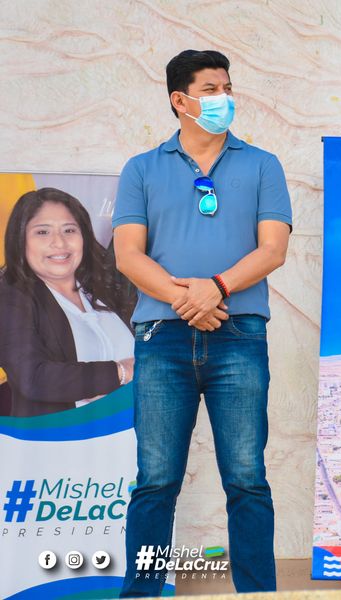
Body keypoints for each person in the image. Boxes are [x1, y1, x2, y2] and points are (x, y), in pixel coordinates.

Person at [113, 49, 292, 596]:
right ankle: (141, 594)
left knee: (247, 478)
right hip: (161, 337)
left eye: (227, 88)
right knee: (156, 481)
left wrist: (215, 288)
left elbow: (273, 248)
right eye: (211, 90)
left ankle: (257, 593)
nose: (223, 99)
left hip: (239, 334)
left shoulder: (262, 164)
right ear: (180, 100)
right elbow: (128, 254)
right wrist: (185, 298)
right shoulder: (142, 168)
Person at [0, 188, 135, 417]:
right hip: (61, 437)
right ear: (20, 240)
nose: (59, 242)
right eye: (43, 232)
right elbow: (33, 377)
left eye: (69, 230)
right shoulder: (10, 297)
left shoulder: (107, 290)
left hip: (132, 434)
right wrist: (121, 372)